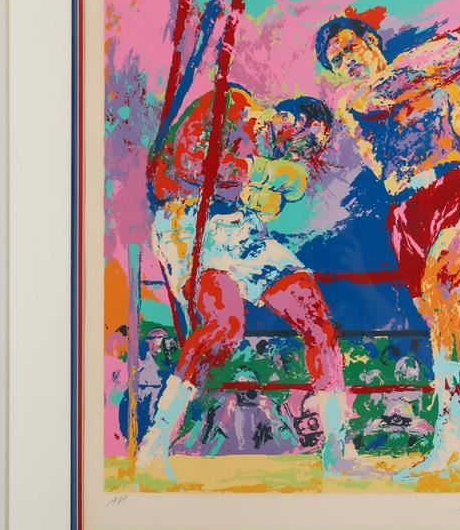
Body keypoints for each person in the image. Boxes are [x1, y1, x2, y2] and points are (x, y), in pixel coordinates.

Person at [316, 13, 460, 478]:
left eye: (350, 47)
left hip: (452, 188)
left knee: (440, 287)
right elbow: (395, 86)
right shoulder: (355, 99)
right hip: (404, 214)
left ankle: (453, 438)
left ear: (371, 42)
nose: (346, 61)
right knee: (447, 324)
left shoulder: (440, 90)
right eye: (336, 60)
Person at [134, 85, 348, 484]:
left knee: (318, 319)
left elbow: (263, 197)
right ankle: (156, 440)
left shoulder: (271, 160)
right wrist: (257, 174)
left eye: (308, 153)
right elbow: (188, 162)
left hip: (241, 228)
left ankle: (338, 448)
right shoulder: (231, 103)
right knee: (224, 328)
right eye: (304, 144)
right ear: (291, 119)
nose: (299, 156)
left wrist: (259, 187)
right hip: (188, 222)